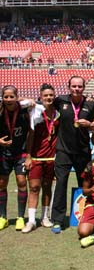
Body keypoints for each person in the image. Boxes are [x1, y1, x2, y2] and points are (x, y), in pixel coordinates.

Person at [51, 76, 94, 233]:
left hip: (83, 151)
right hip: (63, 150)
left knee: (85, 184)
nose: (77, 89)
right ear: (68, 86)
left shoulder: (90, 105)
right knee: (61, 183)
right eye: (74, 86)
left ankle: (87, 216)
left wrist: (90, 124)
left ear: (84, 88)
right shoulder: (60, 101)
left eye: (79, 86)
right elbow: (45, 105)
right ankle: (57, 220)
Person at [22, 84, 59, 233]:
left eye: (51, 95)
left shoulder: (58, 114)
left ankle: (45, 217)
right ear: (40, 97)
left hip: (51, 158)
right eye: (46, 96)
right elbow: (30, 135)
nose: (49, 98)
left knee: (47, 188)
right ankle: (31, 220)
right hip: (36, 157)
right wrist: (29, 156)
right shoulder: (35, 111)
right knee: (34, 188)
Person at [0, 85, 30, 231]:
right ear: (2, 98)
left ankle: (20, 217)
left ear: (17, 97)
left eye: (12, 96)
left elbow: (31, 132)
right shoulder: (0, 111)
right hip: (3, 153)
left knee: (21, 181)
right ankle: (3, 217)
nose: (9, 99)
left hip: (20, 153)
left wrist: (28, 100)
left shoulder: (24, 111)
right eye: (6, 96)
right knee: (2, 183)